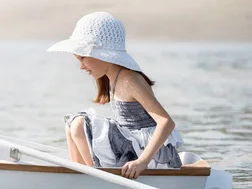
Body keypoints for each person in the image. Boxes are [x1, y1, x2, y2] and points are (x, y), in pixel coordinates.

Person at [46, 12, 183, 179]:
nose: (81, 66)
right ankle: (80, 176)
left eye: (83, 58)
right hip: (132, 143)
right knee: (71, 123)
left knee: (80, 124)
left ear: (102, 55)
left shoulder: (129, 80)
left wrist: (142, 162)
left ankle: (95, 180)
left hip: (150, 155)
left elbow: (166, 122)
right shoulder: (112, 78)